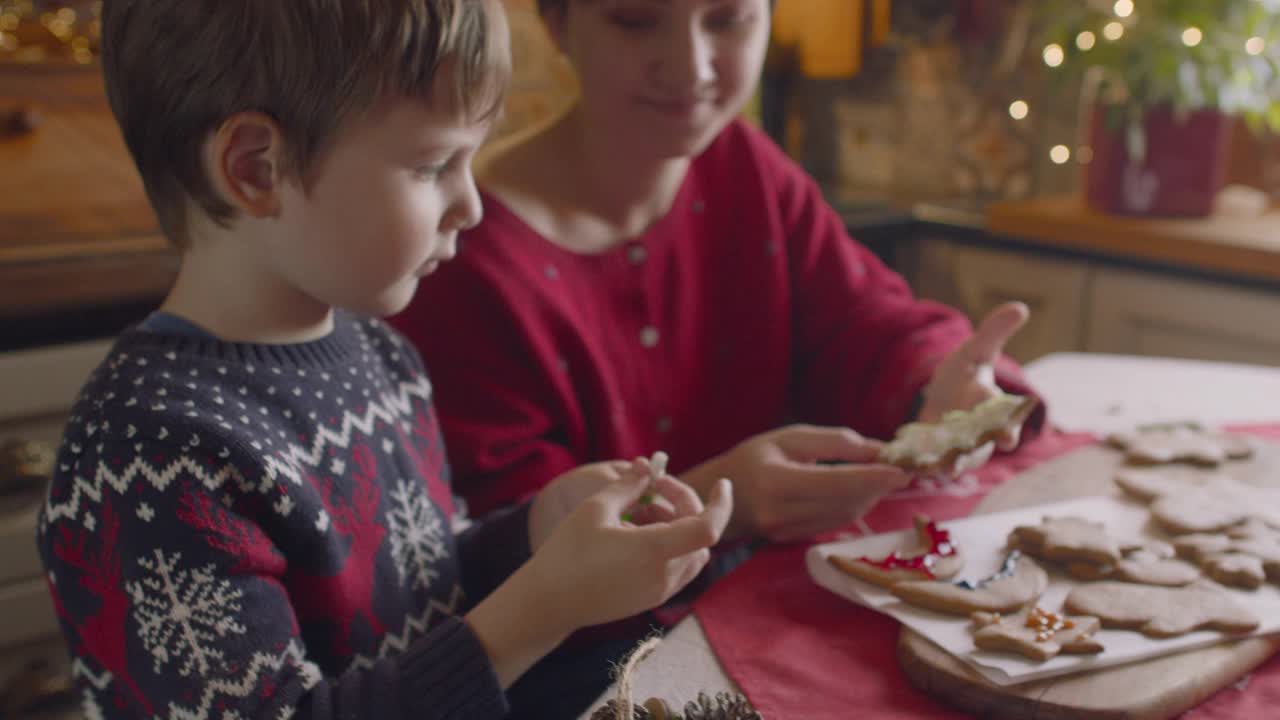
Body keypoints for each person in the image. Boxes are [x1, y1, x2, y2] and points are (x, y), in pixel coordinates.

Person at [36, 2, 733, 719]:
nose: (472, 205)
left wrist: (537, 532)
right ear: (255, 169)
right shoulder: (151, 454)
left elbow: (426, 587)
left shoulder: (381, 355)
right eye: (434, 165)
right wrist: (545, 607)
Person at [393, 0, 1042, 551]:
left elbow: (865, 321)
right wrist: (718, 504)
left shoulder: (747, 166)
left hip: (777, 600)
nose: (690, 67)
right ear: (558, 23)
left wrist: (946, 387)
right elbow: (504, 544)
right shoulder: (459, 252)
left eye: (727, 18)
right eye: (635, 21)